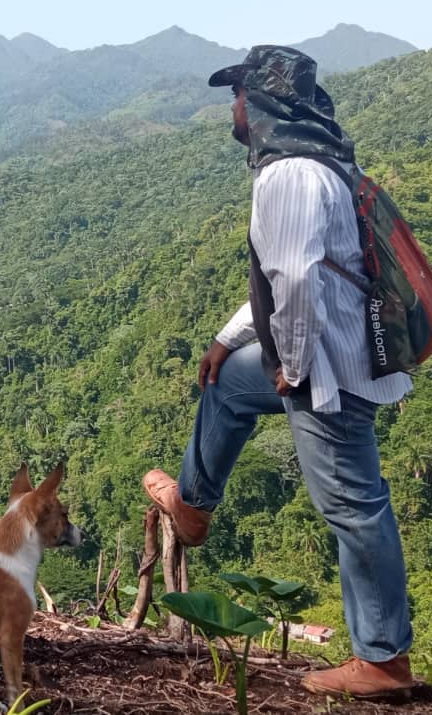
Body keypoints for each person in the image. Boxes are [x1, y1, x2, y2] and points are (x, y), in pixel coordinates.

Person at [142, 45, 415, 698]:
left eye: (239, 95)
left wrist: (289, 366)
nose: (232, 109)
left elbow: (292, 279)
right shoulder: (320, 163)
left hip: (327, 367)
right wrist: (225, 338)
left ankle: (382, 660)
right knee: (229, 383)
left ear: (264, 103)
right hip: (331, 352)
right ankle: (194, 504)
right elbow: (285, 273)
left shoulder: (289, 174)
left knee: (353, 504)